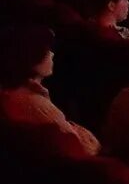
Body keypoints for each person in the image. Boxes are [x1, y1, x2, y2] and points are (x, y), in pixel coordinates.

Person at [0, 25, 100, 154]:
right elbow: (82, 149)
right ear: (32, 58)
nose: (52, 54)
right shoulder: (36, 105)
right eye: (47, 51)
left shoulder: (14, 93)